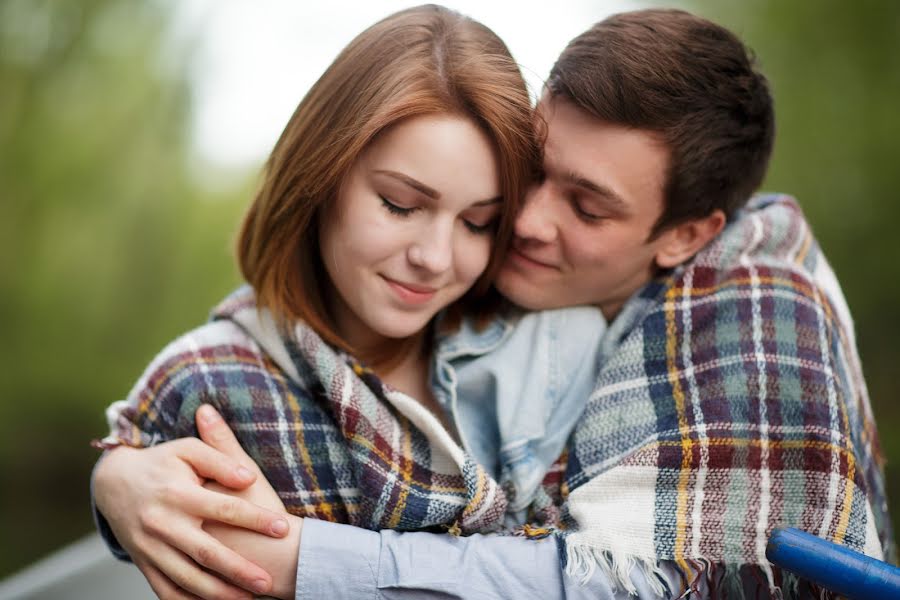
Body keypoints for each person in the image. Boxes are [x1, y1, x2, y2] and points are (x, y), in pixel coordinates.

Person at [94, 7, 893, 599]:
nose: (526, 223)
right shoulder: (473, 305)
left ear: (684, 236)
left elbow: (631, 584)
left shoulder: (749, 308)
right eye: (529, 175)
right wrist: (118, 476)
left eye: (587, 207)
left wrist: (306, 560)